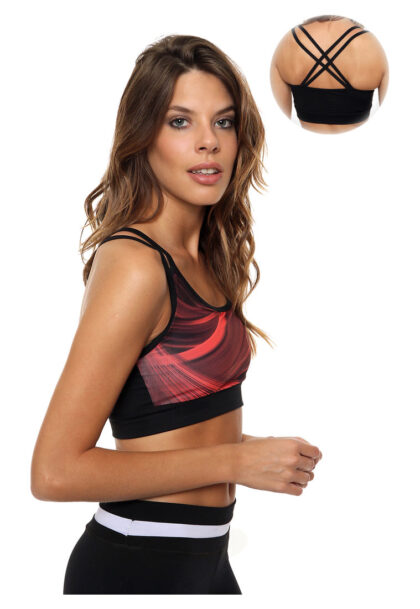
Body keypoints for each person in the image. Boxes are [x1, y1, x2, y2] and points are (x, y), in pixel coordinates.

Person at [30, 34, 323, 595]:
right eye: (180, 122)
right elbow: (54, 471)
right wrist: (234, 462)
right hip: (136, 564)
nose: (208, 142)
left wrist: (249, 451)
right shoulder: (136, 264)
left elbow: (163, 424)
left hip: (206, 562)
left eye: (224, 121)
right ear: (143, 137)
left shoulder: (206, 257)